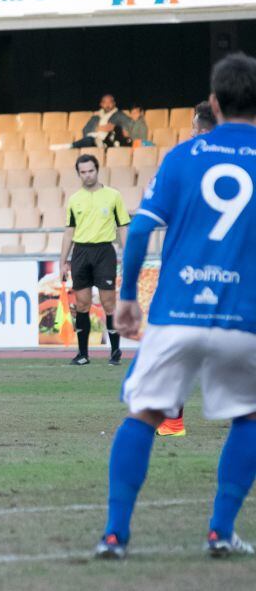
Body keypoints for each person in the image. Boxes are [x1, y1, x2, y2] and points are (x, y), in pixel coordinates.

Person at [95, 52, 256, 560]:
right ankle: (220, 531)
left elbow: (141, 226)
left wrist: (126, 299)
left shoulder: (183, 157)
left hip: (177, 311)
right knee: (250, 417)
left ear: (213, 102)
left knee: (143, 413)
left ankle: (115, 535)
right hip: (244, 315)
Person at [157, 100, 221, 439]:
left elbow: (157, 216)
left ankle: (173, 422)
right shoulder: (242, 161)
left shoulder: (184, 164)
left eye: (194, 128)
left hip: (193, 269)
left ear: (201, 130)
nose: (191, 133)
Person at [59, 154, 129, 366]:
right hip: (81, 252)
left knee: (109, 303)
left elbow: (123, 226)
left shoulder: (113, 196)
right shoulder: (74, 199)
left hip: (104, 252)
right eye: (83, 172)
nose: (88, 175)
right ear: (78, 174)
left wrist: (127, 253)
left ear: (97, 170)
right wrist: (63, 261)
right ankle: (82, 354)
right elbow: (69, 232)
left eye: (91, 171)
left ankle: (115, 351)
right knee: (82, 303)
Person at [58, 95, 133, 149]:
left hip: (108, 140)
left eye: (110, 102)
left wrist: (115, 128)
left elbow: (130, 126)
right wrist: (97, 128)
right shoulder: (96, 116)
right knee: (90, 139)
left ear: (114, 103)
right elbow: (85, 130)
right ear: (101, 104)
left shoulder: (119, 115)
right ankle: (71, 146)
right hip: (93, 139)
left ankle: (70, 146)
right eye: (105, 103)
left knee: (91, 140)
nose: (107, 105)